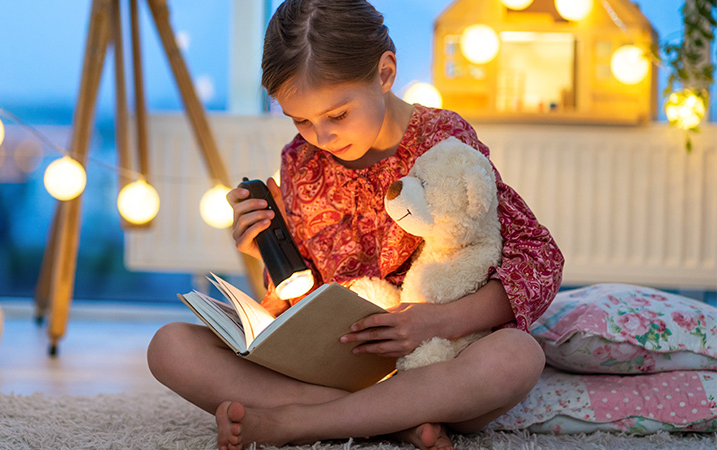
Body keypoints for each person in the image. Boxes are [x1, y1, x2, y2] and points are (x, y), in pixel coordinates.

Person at [147, 1, 564, 449]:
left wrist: (435, 321)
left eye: (337, 115)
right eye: (301, 120)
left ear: (384, 74)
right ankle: (391, 419)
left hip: (435, 357)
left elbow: (539, 258)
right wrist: (270, 254)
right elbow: (312, 296)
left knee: (517, 357)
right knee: (169, 346)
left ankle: (300, 423)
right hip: (344, 362)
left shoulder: (442, 140)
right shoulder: (301, 161)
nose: (322, 136)